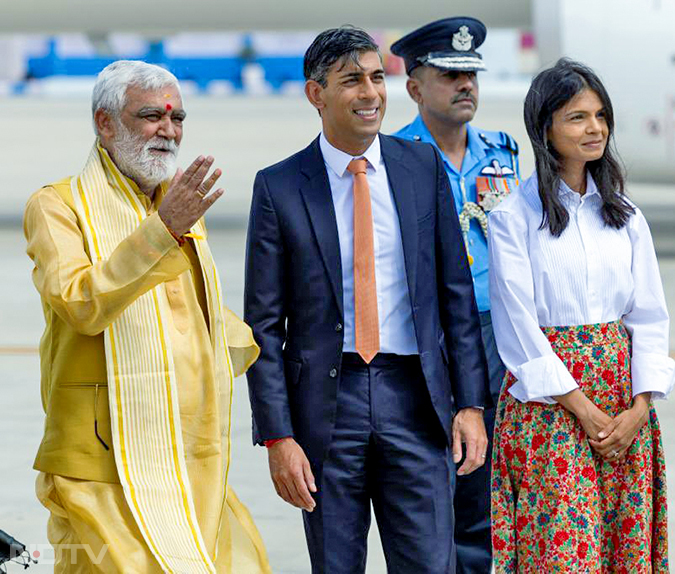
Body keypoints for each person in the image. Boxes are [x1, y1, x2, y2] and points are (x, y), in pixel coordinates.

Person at [244, 26, 490, 574]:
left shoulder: (420, 168)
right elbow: (261, 326)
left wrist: (471, 405)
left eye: (378, 77)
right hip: (328, 410)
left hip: (416, 399)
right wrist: (278, 437)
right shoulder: (280, 187)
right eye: (351, 80)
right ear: (316, 94)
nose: (371, 93)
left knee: (431, 563)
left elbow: (456, 296)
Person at [23, 60, 271, 573]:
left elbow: (197, 319)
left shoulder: (174, 204)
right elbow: (80, 303)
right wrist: (162, 230)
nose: (169, 130)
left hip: (186, 455)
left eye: (177, 117)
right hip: (99, 464)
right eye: (151, 116)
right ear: (105, 122)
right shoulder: (56, 206)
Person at [488, 58, 675, 572]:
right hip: (550, 406)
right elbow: (518, 327)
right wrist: (584, 410)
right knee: (563, 554)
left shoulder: (626, 217)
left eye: (600, 115)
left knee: (623, 549)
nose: (594, 128)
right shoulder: (512, 218)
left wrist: (639, 408)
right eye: (576, 117)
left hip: (624, 406)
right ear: (543, 128)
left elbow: (650, 316)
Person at [391, 17, 520, 573]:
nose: (465, 85)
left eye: (471, 75)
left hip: (501, 331)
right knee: (434, 472)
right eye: (449, 75)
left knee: (489, 476)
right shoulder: (392, 156)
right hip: (435, 335)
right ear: (415, 86)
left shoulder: (503, 150)